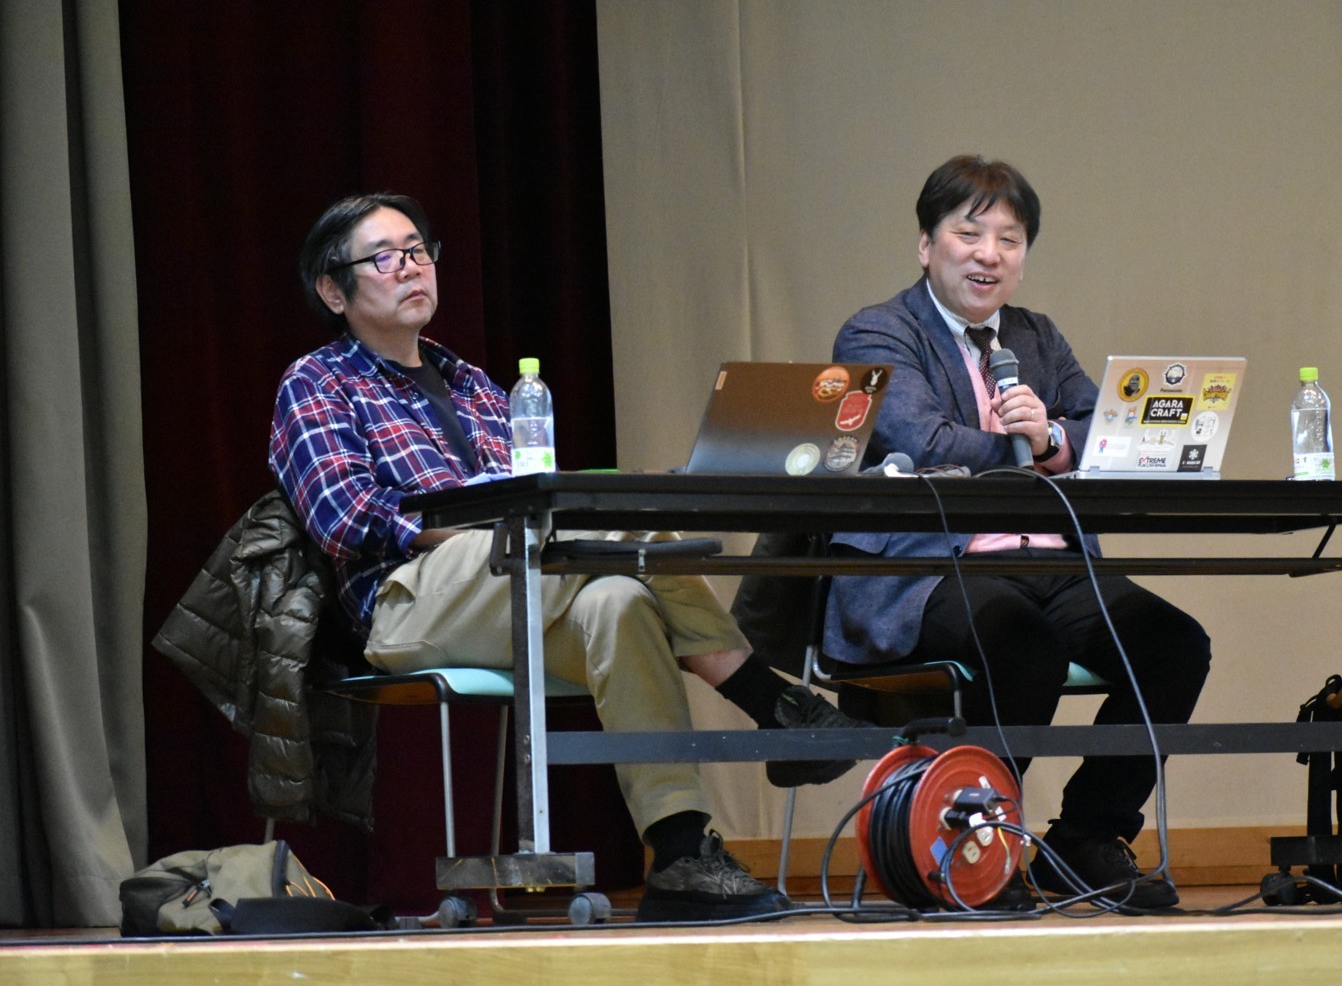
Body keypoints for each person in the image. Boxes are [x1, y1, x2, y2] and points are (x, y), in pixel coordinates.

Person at [269, 192, 867, 922]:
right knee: (618, 528)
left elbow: (538, 495)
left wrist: (522, 533)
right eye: (385, 257)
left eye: (419, 250)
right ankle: (774, 705)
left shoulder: (476, 385)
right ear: (334, 291)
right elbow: (345, 517)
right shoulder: (317, 382)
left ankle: (679, 856)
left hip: (518, 580)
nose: (411, 267)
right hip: (405, 600)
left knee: (620, 602)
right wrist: (482, 533)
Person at [825, 156, 1212, 909]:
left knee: (1173, 645)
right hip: (933, 570)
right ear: (926, 245)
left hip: (1052, 564)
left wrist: (1054, 440)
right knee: (1022, 644)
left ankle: (1086, 837)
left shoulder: (1037, 336)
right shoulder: (877, 331)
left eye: (1009, 239)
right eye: (969, 234)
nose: (990, 255)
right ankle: (971, 843)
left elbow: (1106, 430)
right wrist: (1029, 446)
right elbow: (923, 441)